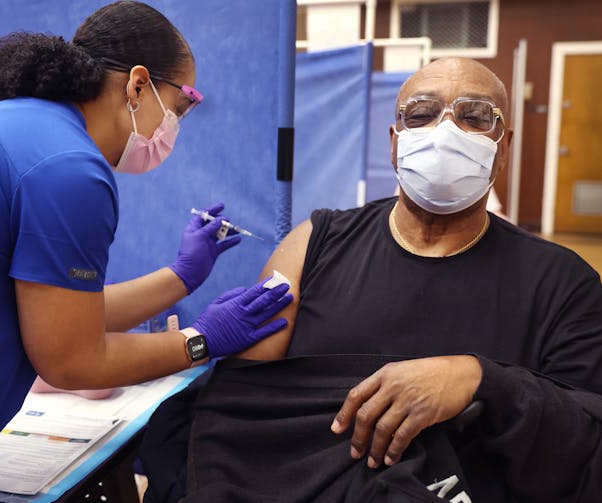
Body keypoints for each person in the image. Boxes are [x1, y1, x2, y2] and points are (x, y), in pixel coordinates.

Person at [0, 1, 292, 500]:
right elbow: (73, 359)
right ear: (138, 85)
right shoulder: (68, 168)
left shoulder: (5, 128)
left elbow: (63, 315)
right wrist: (200, 341)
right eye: (181, 106)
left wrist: (182, 276)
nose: (175, 128)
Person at [141, 57, 602, 502]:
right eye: (421, 114)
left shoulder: (563, 285)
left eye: (475, 116)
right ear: (394, 141)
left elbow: (583, 441)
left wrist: (479, 380)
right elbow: (248, 410)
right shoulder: (315, 243)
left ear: (503, 145)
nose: (446, 133)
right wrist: (196, 337)